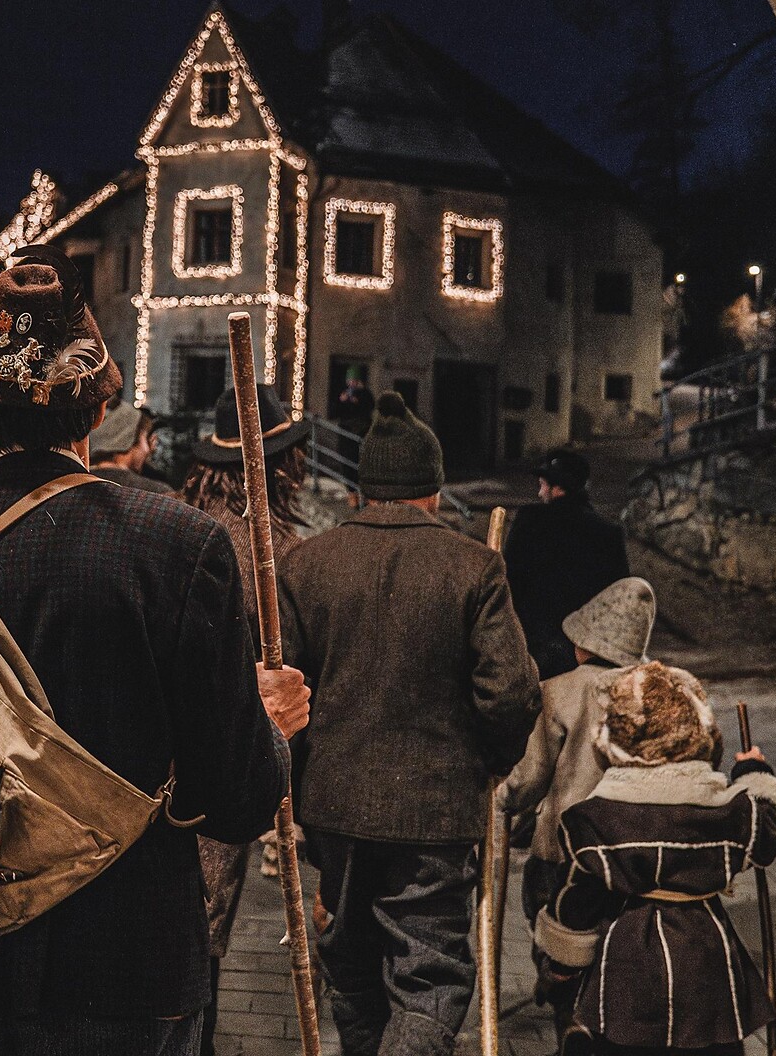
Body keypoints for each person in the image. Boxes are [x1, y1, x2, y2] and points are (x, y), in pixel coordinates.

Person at [0, 245, 308, 1056]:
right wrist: (268, 725)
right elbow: (234, 800)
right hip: (128, 961)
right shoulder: (180, 548)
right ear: (98, 411)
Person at [281, 392, 541, 1056]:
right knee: (431, 976)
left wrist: (302, 781)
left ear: (366, 489)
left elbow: (284, 692)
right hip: (434, 808)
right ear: (433, 487)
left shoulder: (307, 563)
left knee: (351, 964)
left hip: (333, 807)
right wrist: (492, 759)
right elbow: (510, 693)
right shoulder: (473, 565)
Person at [535, 662, 776, 1056]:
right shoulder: (725, 813)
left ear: (614, 743)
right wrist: (753, 772)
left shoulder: (592, 822)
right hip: (706, 961)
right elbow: (773, 820)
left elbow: (576, 901)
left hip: (627, 966)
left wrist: (562, 966)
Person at [178, 383, 312, 1056]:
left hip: (154, 772)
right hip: (219, 769)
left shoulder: (170, 522)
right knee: (199, 945)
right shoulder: (278, 557)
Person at [498, 577, 657, 1038]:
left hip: (566, 847)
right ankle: (604, 1015)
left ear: (585, 642)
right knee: (613, 936)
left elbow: (528, 779)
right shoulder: (654, 691)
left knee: (556, 927)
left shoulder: (562, 691)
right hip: (632, 848)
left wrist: (501, 801)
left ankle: (568, 1010)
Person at [503, 447, 632, 681]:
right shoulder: (608, 533)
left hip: (533, 648)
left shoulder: (530, 520)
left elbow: (509, 579)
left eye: (542, 484)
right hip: (583, 653)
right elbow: (618, 597)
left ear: (557, 487)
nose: (540, 492)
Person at [89, 400, 176, 494]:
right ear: (128, 439)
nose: (151, 449)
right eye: (145, 438)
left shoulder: (77, 481)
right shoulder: (156, 492)